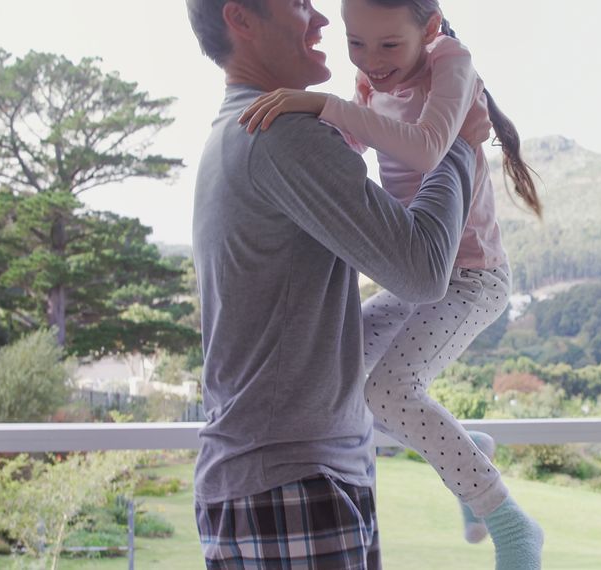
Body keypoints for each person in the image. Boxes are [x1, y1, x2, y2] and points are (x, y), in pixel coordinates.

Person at [237, 0, 544, 568]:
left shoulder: (451, 62)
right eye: (357, 43)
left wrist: (321, 105)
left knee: (389, 390)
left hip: (471, 277)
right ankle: (467, 453)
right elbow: (353, 151)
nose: (371, 61)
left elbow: (427, 146)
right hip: (417, 275)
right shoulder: (366, 82)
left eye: (388, 45)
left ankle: (509, 522)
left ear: (428, 31)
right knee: (338, 364)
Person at [185, 0, 478, 567]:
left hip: (281, 477)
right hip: (292, 482)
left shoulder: (240, 128)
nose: (321, 22)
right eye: (299, 4)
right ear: (240, 19)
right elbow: (421, 270)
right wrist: (459, 146)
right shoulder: (280, 134)